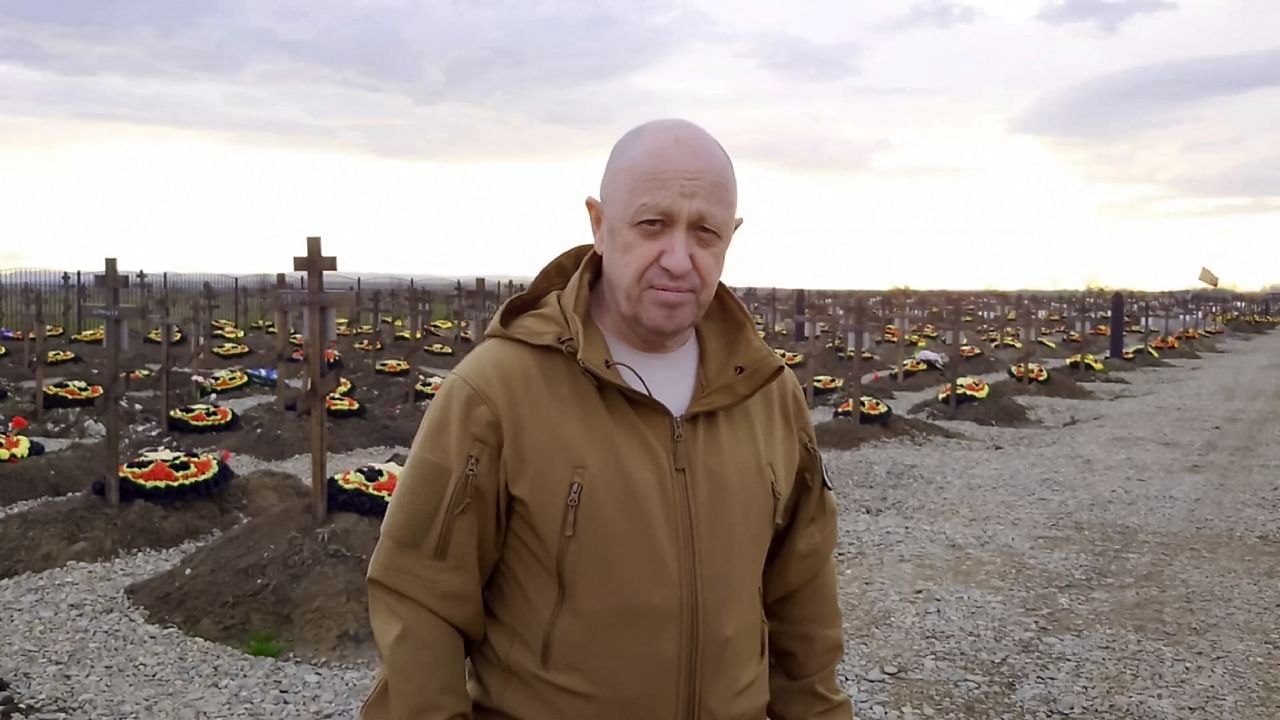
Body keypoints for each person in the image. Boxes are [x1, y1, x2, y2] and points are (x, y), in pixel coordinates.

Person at [361, 118, 853, 719]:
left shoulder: (769, 395)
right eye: (652, 224)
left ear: (733, 235)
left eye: (705, 232)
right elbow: (420, 603)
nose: (679, 258)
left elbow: (802, 609)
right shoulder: (497, 392)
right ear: (598, 224)